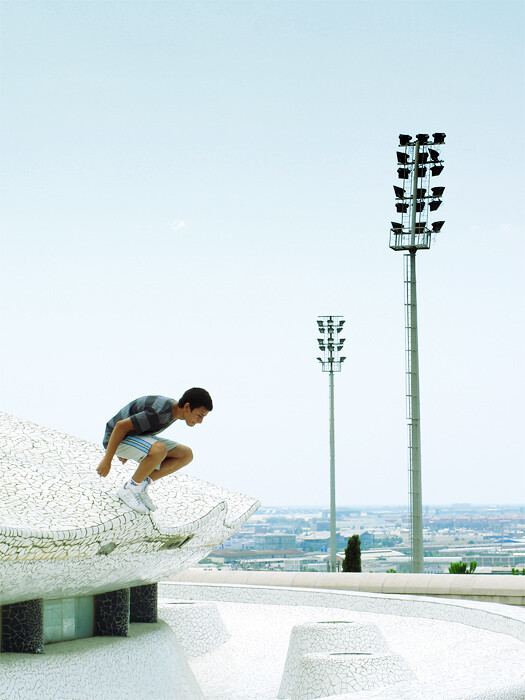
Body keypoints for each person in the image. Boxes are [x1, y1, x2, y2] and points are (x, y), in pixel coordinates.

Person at [96, 388, 213, 513]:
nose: (200, 421)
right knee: (159, 449)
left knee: (186, 454)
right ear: (187, 406)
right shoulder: (159, 412)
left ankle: (141, 485)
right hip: (115, 438)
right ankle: (130, 489)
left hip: (131, 437)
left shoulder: (172, 411)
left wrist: (132, 449)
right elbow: (120, 426)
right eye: (199, 415)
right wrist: (107, 460)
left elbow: (142, 426)